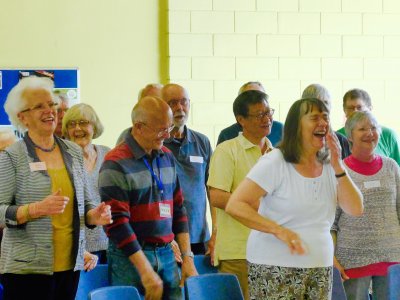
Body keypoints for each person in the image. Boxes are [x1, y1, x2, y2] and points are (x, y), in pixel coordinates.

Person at [226, 98, 363, 299]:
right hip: (274, 267)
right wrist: (279, 230)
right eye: (314, 118)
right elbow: (235, 205)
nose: (323, 123)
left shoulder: (330, 165)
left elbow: (356, 208)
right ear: (296, 126)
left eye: (325, 117)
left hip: (319, 266)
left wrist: (338, 166)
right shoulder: (276, 161)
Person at [0, 76, 112, 300]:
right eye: (39, 106)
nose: (50, 111)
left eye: (51, 104)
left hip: (70, 265)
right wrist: (35, 209)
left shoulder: (72, 152)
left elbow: (85, 203)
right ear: (22, 117)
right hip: (26, 268)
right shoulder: (12, 156)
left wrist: (94, 215)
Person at [99, 96, 197, 300]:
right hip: (130, 258)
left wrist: (187, 257)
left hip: (167, 253)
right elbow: (117, 224)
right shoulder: (115, 163)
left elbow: (178, 209)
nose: (167, 135)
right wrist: (145, 270)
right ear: (139, 127)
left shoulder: (167, 156)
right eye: (161, 129)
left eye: (169, 128)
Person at [207, 90, 274, 300]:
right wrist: (255, 205)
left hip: (272, 250)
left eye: (268, 112)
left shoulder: (276, 154)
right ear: (241, 120)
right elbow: (216, 196)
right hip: (239, 252)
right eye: (259, 115)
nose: (267, 119)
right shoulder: (227, 151)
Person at [332, 111, 400, 300]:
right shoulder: (340, 171)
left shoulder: (391, 166)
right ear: (350, 136)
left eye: (374, 128)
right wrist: (333, 259)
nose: (370, 133)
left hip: (391, 257)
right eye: (363, 129)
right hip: (353, 260)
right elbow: (331, 222)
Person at [162, 84, 215, 257]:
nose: (179, 108)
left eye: (184, 102)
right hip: (166, 238)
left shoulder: (202, 142)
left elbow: (212, 190)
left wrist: (216, 232)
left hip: (199, 235)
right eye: (173, 103)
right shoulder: (156, 145)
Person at [62, 103, 110, 266]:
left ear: (94, 126)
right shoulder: (62, 159)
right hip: (77, 247)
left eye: (83, 123)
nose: (77, 129)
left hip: (109, 242)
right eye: (71, 124)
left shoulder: (108, 154)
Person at [338, 88, 400, 165]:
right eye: (350, 108)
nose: (355, 112)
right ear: (344, 111)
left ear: (370, 109)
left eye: (359, 107)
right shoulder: (337, 137)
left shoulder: (389, 136)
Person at [216, 81, 283, 146]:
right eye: (250, 98)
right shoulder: (226, 136)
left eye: (260, 97)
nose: (266, 119)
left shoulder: (280, 129)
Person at [302, 83, 351, 159]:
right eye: (317, 102)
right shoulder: (295, 142)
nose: (323, 107)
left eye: (326, 103)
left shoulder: (341, 141)